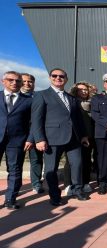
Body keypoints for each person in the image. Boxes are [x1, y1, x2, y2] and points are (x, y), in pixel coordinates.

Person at [31, 68, 89, 206]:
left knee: (77, 164)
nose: (58, 78)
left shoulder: (71, 98)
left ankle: (77, 190)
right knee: (51, 169)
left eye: (61, 76)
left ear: (66, 79)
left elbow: (78, 119)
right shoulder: (42, 95)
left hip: (74, 138)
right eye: (55, 75)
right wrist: (39, 139)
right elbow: (36, 119)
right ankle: (55, 195)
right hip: (52, 138)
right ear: (50, 78)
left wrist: (83, 136)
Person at [1, 71, 33, 209]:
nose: (14, 83)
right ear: (3, 81)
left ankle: (10, 199)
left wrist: (30, 139)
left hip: (17, 140)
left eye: (18, 81)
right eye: (11, 80)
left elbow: (33, 122)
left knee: (15, 169)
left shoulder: (29, 100)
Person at [21, 73, 44, 194]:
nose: (27, 84)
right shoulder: (12, 96)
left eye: (29, 81)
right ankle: (14, 184)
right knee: (14, 163)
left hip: (34, 134)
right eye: (24, 81)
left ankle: (36, 184)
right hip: (14, 136)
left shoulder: (38, 97)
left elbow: (37, 119)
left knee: (36, 160)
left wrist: (31, 137)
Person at [70, 81, 95, 193]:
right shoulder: (72, 101)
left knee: (86, 160)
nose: (84, 91)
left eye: (85, 89)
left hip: (88, 135)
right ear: (76, 91)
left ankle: (85, 182)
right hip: (74, 136)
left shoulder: (92, 102)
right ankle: (70, 185)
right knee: (72, 162)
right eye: (81, 89)